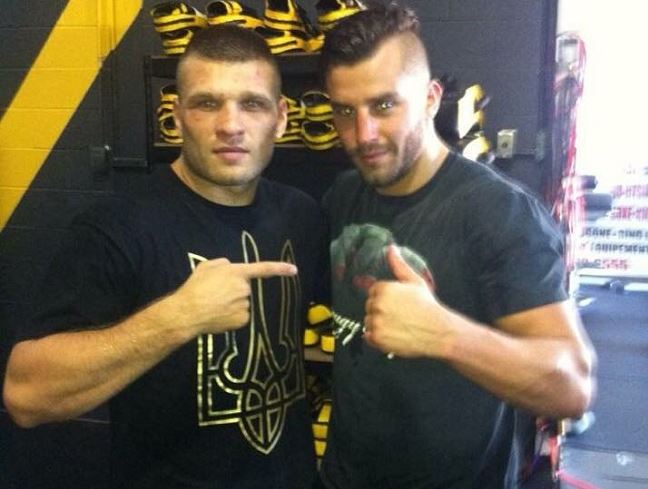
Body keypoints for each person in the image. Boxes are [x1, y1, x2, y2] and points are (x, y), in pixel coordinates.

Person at [3, 25, 327, 489]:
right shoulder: (116, 227)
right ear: (176, 116)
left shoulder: (302, 214)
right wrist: (178, 318)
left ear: (280, 118)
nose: (230, 125)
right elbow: (26, 396)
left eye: (252, 104)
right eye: (207, 103)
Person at [316, 2, 597, 488]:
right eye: (345, 111)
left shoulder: (499, 212)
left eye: (384, 106)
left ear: (430, 98)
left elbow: (572, 387)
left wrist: (445, 334)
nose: (363, 135)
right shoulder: (344, 195)